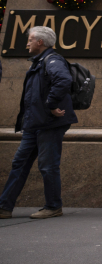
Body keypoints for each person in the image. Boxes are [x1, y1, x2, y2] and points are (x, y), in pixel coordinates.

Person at [0, 26, 77, 220]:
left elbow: (63, 80)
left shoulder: (52, 60)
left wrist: (51, 105)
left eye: (30, 40)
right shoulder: (39, 62)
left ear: (40, 42)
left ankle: (53, 206)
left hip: (49, 123)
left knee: (48, 165)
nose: (27, 43)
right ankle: (4, 207)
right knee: (19, 163)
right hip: (34, 124)